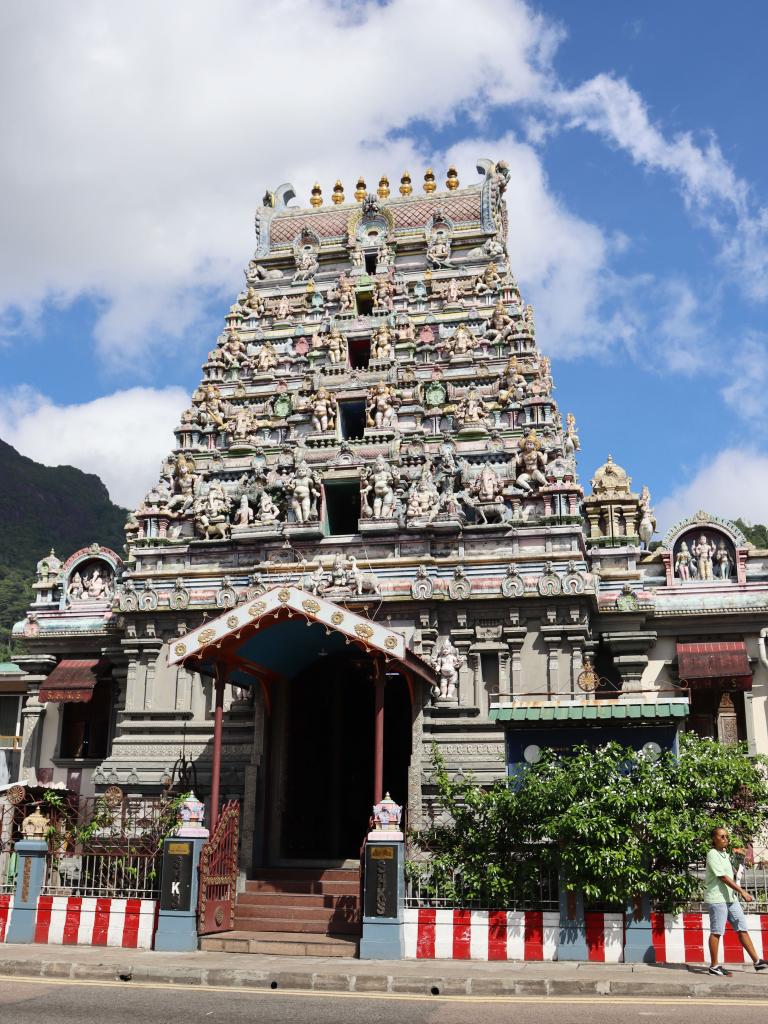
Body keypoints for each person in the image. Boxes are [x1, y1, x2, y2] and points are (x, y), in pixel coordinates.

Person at [705, 826, 767, 975]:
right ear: (714, 839)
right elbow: (723, 877)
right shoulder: (712, 854)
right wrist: (742, 891)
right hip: (717, 898)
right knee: (717, 931)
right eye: (721, 837)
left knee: (742, 928)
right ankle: (714, 966)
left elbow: (733, 870)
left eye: (726, 836)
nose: (725, 839)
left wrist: (740, 856)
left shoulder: (725, 854)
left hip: (731, 898)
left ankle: (757, 961)